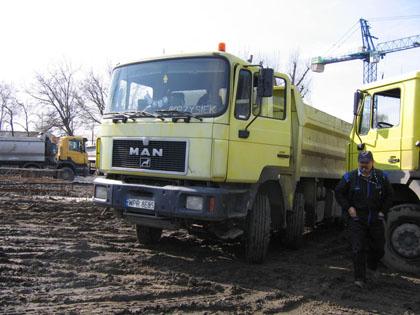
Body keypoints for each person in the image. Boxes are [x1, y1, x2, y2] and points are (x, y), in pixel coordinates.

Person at [335, 151, 393, 288]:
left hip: (375, 218)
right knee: (358, 248)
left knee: (378, 248)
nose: (364, 166)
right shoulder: (350, 177)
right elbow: (338, 192)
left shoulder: (381, 177)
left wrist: (382, 211)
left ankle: (372, 267)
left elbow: (390, 195)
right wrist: (348, 207)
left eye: (367, 163)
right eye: (362, 163)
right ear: (358, 163)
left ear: (372, 162)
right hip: (357, 219)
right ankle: (359, 278)